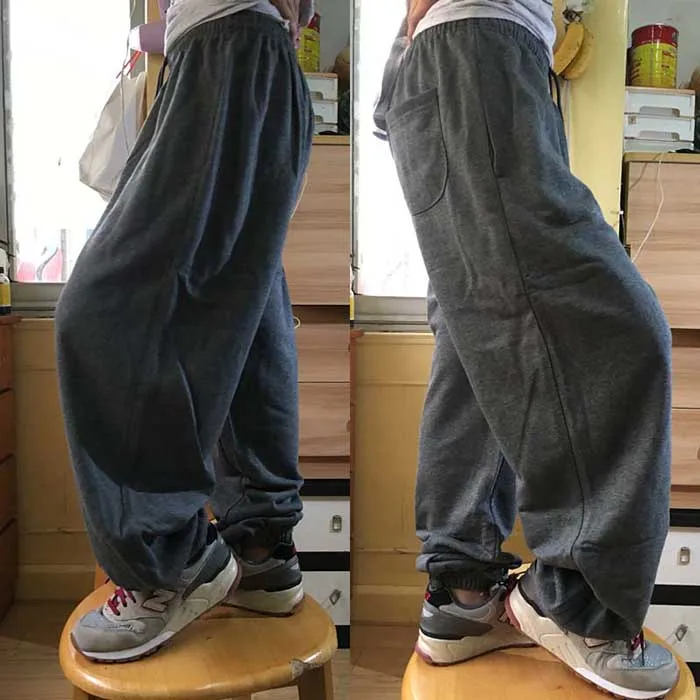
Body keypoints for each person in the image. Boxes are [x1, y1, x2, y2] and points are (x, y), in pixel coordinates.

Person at [375, 1, 680, 698]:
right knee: (625, 334)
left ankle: (461, 595)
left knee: (476, 341)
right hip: (477, 49)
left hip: (478, 58)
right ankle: (574, 603)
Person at [55, 0, 315, 663]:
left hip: (227, 51)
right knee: (247, 305)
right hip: (243, 55)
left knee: (98, 309)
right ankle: (261, 549)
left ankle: (170, 562)